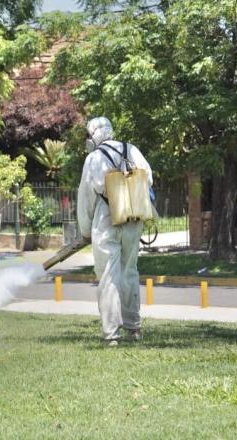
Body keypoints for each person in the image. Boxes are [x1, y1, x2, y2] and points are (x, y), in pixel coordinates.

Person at [77, 116, 153, 346]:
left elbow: (86, 198)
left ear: (94, 136)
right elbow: (148, 179)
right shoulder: (132, 150)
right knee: (129, 272)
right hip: (133, 216)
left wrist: (85, 229)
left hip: (107, 218)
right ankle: (134, 328)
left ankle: (111, 334)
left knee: (109, 276)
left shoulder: (93, 158)